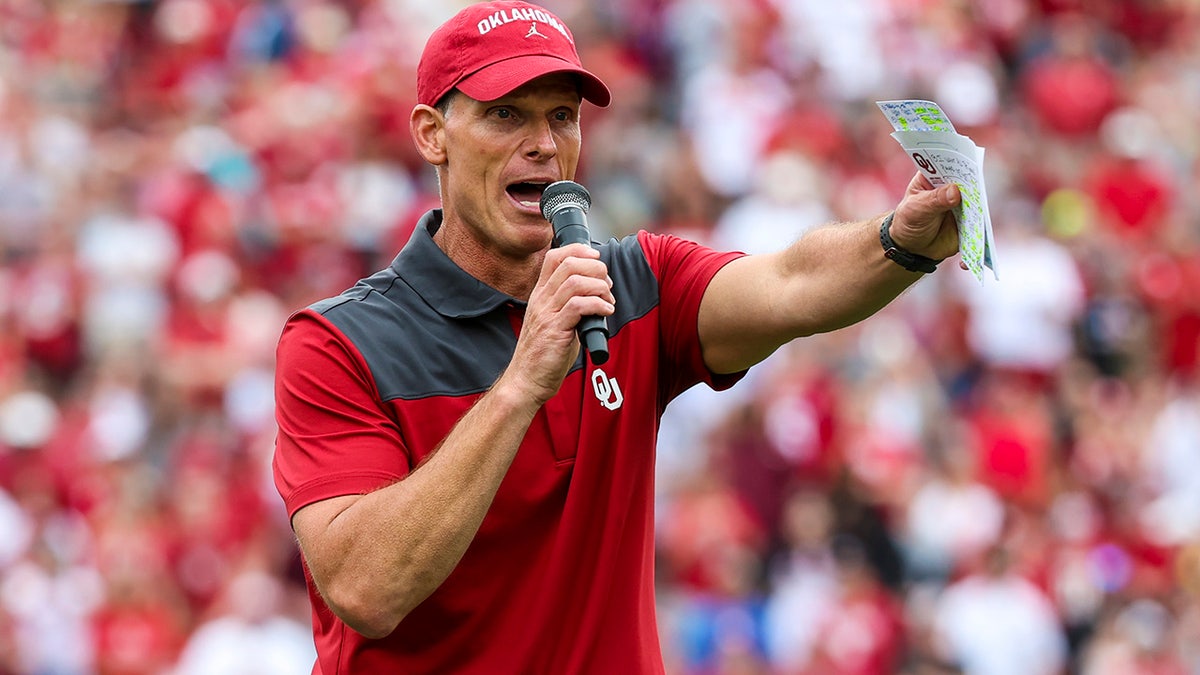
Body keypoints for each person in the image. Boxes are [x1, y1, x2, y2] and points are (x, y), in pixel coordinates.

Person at [271, 1, 962, 672]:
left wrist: (898, 241)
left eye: (561, 116)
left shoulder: (634, 283)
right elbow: (367, 590)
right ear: (431, 134)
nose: (543, 142)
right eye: (505, 114)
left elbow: (791, 283)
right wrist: (520, 385)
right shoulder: (337, 342)